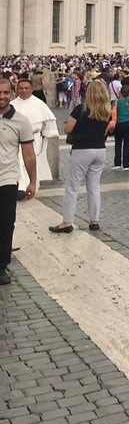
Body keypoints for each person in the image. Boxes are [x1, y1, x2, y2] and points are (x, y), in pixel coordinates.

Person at [51, 79, 110, 232]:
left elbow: (67, 129)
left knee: (72, 187)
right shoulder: (106, 111)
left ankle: (67, 222)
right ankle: (94, 220)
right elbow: (105, 132)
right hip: (100, 150)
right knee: (94, 187)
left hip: (82, 150)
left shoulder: (80, 109)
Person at [0, 77, 37, 285]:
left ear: (11, 94)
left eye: (6, 93)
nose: (3, 97)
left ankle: (1, 265)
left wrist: (32, 181)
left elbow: (29, 154)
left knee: (5, 223)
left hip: (7, 178)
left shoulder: (21, 121)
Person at [10, 77, 57, 195]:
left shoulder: (39, 104)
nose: (24, 91)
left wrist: (45, 135)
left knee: (32, 162)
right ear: (16, 90)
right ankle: (21, 187)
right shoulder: (11, 105)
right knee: (19, 162)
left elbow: (48, 122)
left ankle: (31, 186)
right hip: (16, 139)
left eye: (26, 88)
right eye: (21, 88)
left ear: (31, 89)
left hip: (34, 139)